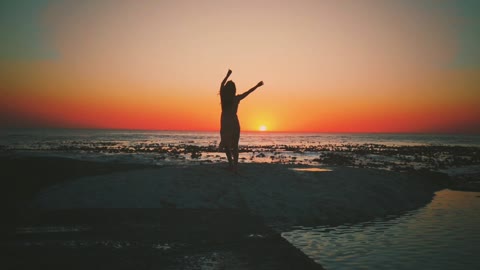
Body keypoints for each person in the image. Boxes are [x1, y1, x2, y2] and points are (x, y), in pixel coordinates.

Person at [219, 69, 263, 172]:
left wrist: (227, 75)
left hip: (225, 123)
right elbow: (248, 92)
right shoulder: (236, 98)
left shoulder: (223, 98)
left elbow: (221, 84)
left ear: (226, 90)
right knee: (235, 145)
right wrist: (257, 86)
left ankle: (231, 165)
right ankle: (235, 166)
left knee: (226, 145)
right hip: (234, 123)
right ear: (234, 90)